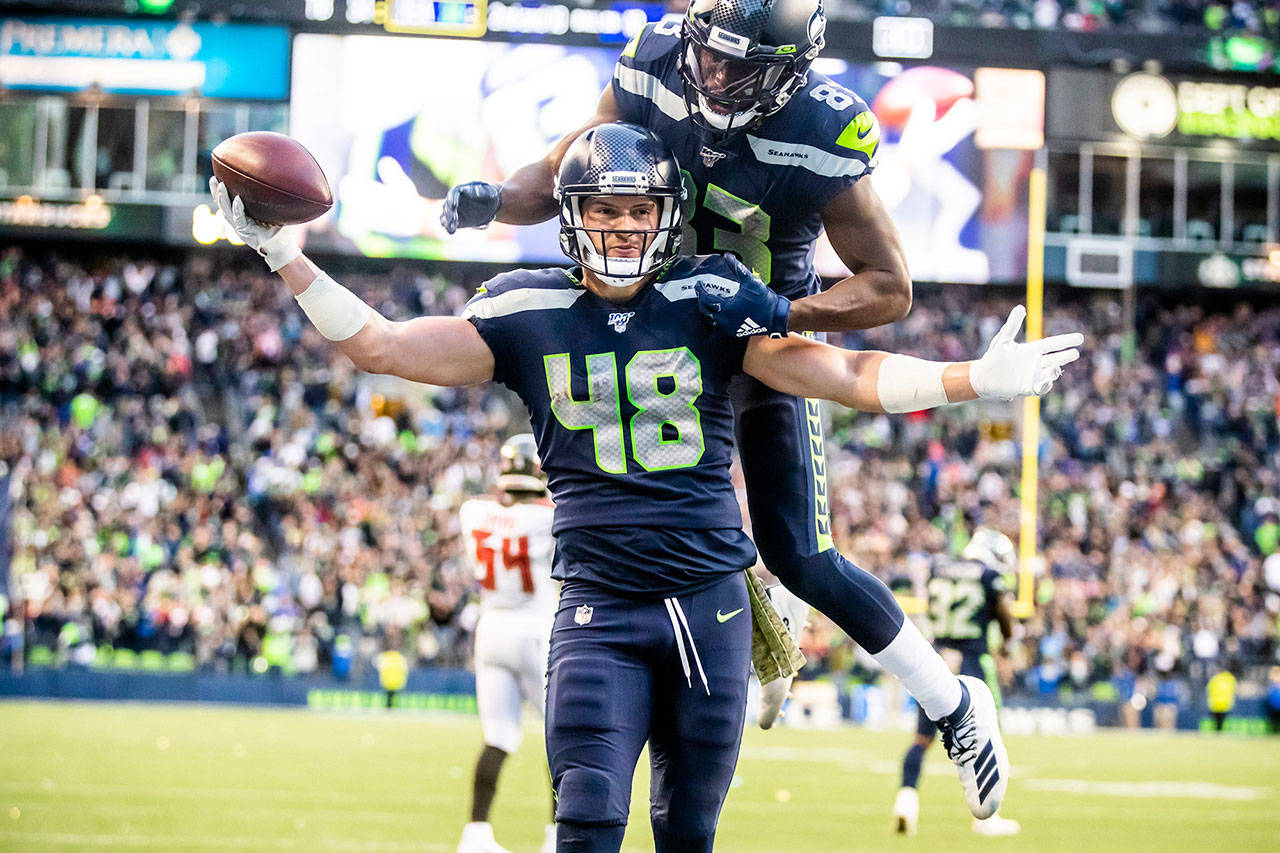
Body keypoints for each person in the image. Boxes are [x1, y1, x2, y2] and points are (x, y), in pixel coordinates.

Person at [211, 121, 1080, 850]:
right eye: (603, 209)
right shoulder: (525, 308)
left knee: (685, 831)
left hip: (710, 604)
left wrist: (969, 377)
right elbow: (384, 345)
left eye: (638, 211)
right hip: (597, 607)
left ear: (669, 219)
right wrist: (284, 254)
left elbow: (837, 373)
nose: (622, 228)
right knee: (584, 819)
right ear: (571, 215)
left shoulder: (709, 295)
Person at [439, 1, 1015, 800]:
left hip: (757, 338)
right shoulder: (654, 58)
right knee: (645, 503)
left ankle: (952, 704)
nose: (713, 75)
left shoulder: (821, 129)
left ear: (792, 73)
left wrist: (786, 309)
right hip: (658, 322)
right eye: (709, 55)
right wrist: (496, 200)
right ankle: (759, 630)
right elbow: (571, 167)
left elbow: (891, 289)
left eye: (741, 66)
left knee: (800, 551)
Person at [457, 434, 558, 853]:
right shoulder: (546, 519)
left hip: (491, 627)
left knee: (497, 736)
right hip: (536, 628)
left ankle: (475, 834)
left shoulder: (473, 512)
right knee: (561, 737)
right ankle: (557, 836)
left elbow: (497, 504)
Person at [892, 528, 1021, 838]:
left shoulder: (938, 568)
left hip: (935, 660)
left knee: (921, 739)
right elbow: (1003, 614)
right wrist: (1009, 642)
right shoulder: (988, 575)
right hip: (972, 661)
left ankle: (906, 800)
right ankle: (987, 819)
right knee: (986, 738)